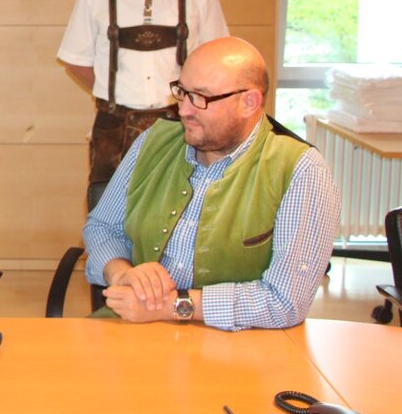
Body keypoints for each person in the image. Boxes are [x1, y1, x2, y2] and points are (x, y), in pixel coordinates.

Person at [82, 37, 339, 331]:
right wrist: (121, 273)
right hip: (136, 329)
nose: (184, 110)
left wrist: (172, 306)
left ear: (249, 102)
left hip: (238, 344)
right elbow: (102, 227)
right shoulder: (153, 142)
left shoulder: (300, 169)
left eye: (201, 98)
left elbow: (286, 302)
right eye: (182, 92)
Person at [58, 0, 229, 183]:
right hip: (113, 131)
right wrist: (117, 94)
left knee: (179, 204)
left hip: (181, 127)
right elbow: (76, 61)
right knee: (108, 207)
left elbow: (218, 64)